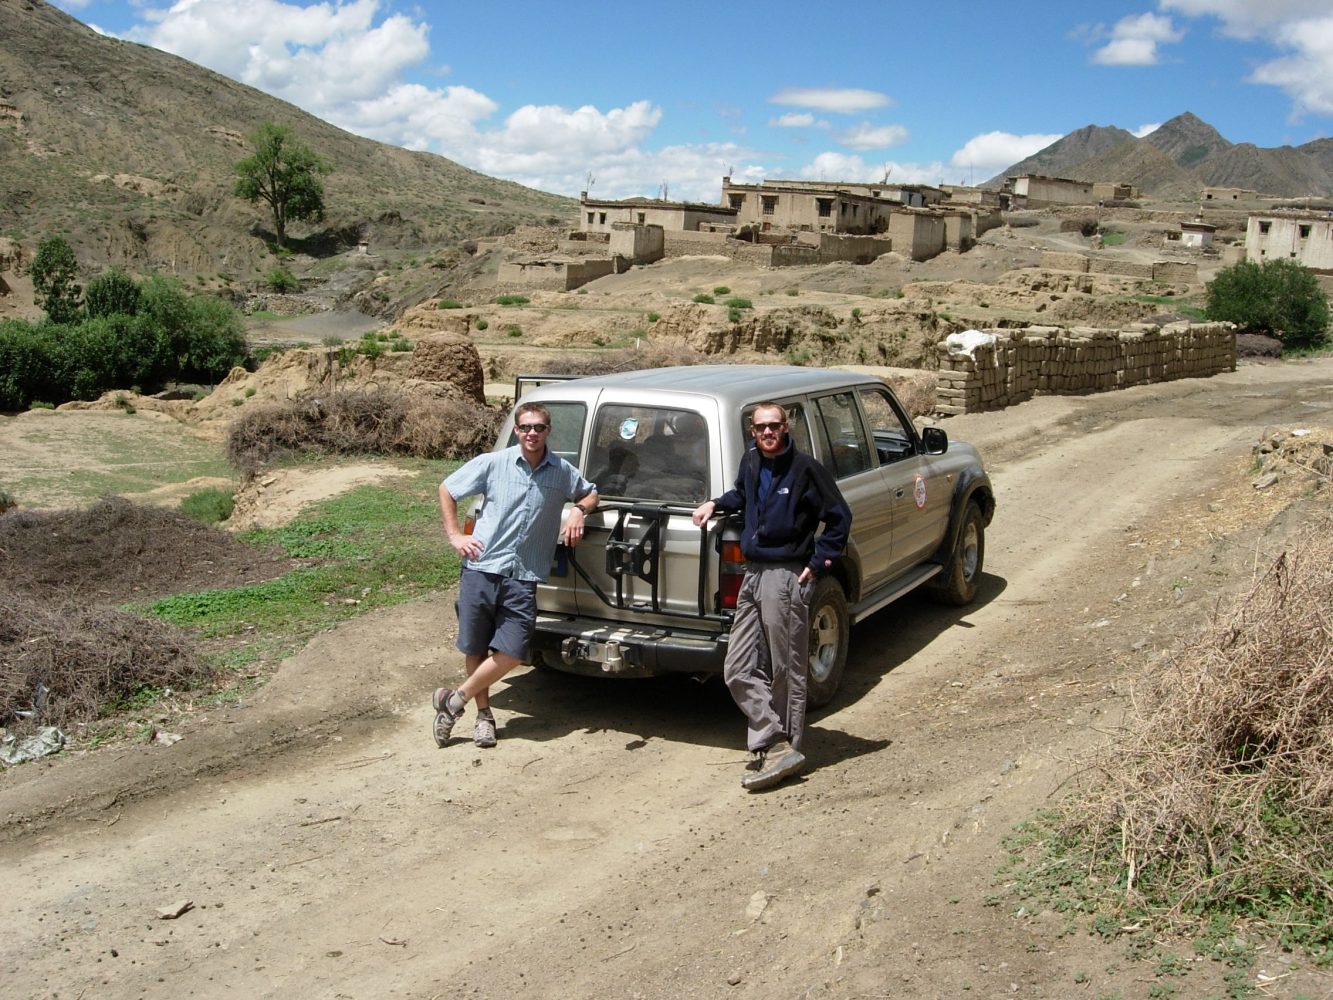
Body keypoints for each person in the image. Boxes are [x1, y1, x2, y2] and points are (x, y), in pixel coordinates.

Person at [691, 402, 850, 791]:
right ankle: (774, 739)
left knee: (786, 667)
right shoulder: (751, 462)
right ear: (752, 430)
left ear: (786, 427)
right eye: (761, 427)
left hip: (785, 576)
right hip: (753, 573)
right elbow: (742, 496)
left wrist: (820, 562)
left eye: (774, 425)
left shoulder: (806, 470)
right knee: (738, 668)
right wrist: (716, 503)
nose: (767, 432)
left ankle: (783, 749)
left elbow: (839, 517)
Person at [432, 401, 598, 748]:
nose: (532, 433)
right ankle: (483, 716)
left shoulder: (561, 471)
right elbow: (447, 489)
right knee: (476, 645)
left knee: (513, 651)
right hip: (482, 567)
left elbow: (591, 491)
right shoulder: (494, 463)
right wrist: (454, 536)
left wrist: (578, 511)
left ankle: (453, 701)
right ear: (517, 430)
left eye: (538, 427)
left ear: (548, 431)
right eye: (525, 427)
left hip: (523, 575)